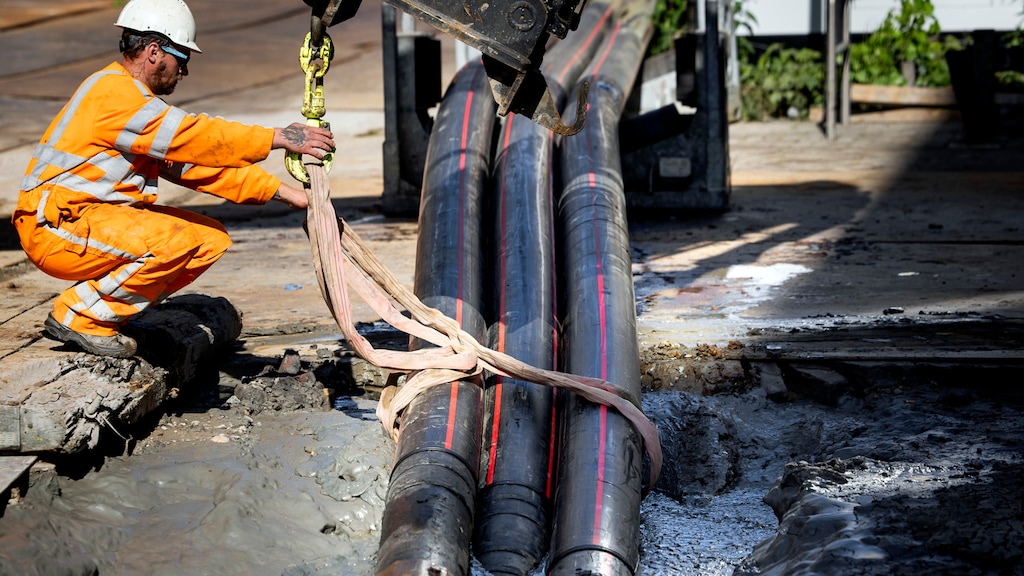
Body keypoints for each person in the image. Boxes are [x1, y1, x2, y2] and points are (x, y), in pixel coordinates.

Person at [11, 0, 334, 358]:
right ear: (153, 52)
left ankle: (111, 314)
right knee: (173, 243)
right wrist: (276, 137)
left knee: (208, 240)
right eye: (182, 60)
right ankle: (81, 316)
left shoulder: (134, 105)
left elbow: (195, 165)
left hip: (85, 220)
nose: (183, 72)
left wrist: (286, 194)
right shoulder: (115, 95)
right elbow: (194, 137)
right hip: (58, 225)